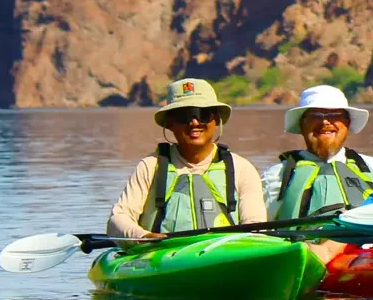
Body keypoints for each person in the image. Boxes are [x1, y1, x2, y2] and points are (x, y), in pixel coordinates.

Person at [107, 79, 268, 237]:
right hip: (162, 256)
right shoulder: (150, 166)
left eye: (203, 114)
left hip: (224, 255)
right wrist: (143, 237)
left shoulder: (241, 168)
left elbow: (255, 224)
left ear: (216, 120)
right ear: (169, 123)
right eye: (184, 116)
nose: (194, 122)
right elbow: (118, 219)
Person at [263, 85, 373, 220]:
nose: (325, 122)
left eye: (335, 115)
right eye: (315, 115)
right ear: (301, 124)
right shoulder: (275, 177)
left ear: (347, 123)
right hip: (303, 241)